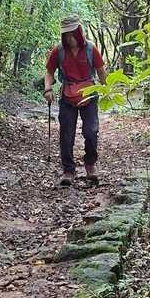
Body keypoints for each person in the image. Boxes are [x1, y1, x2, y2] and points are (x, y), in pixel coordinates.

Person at [44, 17, 106, 186]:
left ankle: (90, 165)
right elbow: (49, 72)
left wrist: (108, 90)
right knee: (66, 134)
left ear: (79, 33)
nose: (70, 38)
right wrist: (48, 89)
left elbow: (101, 71)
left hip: (89, 94)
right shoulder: (58, 51)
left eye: (72, 34)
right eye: (66, 35)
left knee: (91, 131)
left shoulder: (91, 49)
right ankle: (68, 171)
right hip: (67, 95)